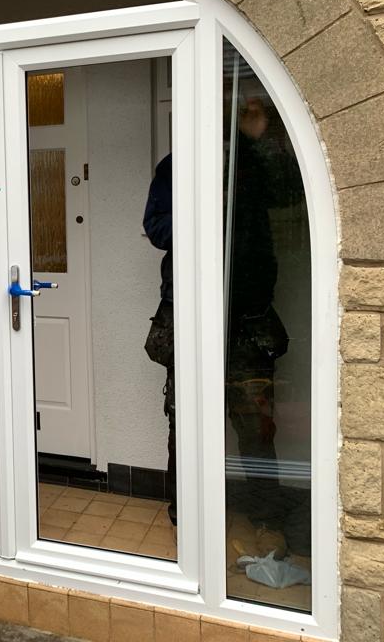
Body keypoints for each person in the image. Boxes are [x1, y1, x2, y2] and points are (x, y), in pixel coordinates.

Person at [143, 95, 290, 528]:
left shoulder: (255, 162)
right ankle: (186, 519)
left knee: (256, 426)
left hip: (247, 318)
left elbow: (290, 195)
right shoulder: (175, 167)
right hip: (189, 316)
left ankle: (267, 518)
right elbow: (156, 228)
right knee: (185, 423)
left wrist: (263, 135)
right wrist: (204, 217)